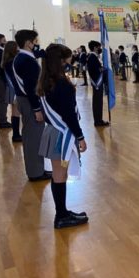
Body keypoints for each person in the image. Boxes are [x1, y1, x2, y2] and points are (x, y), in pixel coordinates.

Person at [37, 44, 89, 229]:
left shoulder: (46, 80)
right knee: (60, 174)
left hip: (53, 133)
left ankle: (63, 211)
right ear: (59, 61)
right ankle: (61, 216)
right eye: (67, 58)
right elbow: (69, 115)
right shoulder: (61, 84)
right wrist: (80, 137)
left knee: (60, 173)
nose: (70, 61)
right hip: (61, 137)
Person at [12, 30, 51, 181]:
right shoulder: (26, 61)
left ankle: (36, 169)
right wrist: (37, 109)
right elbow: (31, 87)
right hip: (30, 102)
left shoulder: (21, 57)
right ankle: (36, 173)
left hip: (24, 101)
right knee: (34, 138)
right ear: (28, 43)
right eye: (35, 41)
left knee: (31, 137)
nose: (37, 44)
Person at [2, 41, 23, 142]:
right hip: (15, 88)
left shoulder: (7, 60)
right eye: (17, 47)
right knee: (16, 113)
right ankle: (16, 135)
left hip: (11, 88)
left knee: (15, 112)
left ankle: (16, 134)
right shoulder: (13, 61)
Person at [87, 40, 110, 127]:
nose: (100, 48)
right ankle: (98, 121)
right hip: (97, 82)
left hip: (97, 82)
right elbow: (96, 70)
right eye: (99, 47)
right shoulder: (92, 57)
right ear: (94, 47)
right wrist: (104, 69)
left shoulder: (92, 56)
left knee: (97, 102)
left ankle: (98, 120)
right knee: (97, 102)